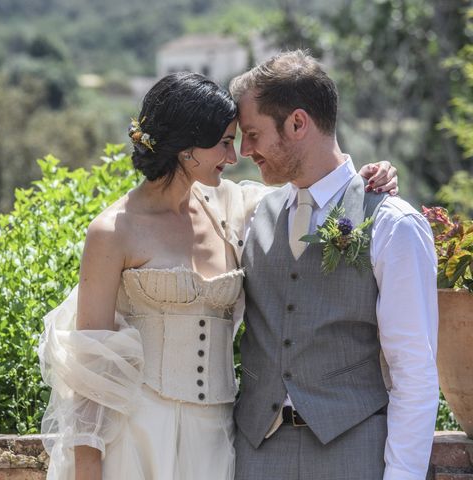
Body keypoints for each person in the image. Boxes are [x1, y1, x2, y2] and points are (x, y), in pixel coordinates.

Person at [37, 71, 397, 480]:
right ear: (186, 146)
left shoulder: (234, 206)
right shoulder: (113, 230)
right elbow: (91, 367)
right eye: (225, 142)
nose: (234, 156)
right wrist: (87, 469)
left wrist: (370, 177)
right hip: (137, 435)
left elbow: (316, 191)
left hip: (218, 437)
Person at [229, 50, 439, 480]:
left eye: (252, 133)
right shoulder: (251, 214)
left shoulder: (391, 224)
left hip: (354, 455)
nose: (244, 150)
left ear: (298, 123)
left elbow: (413, 373)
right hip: (256, 456)